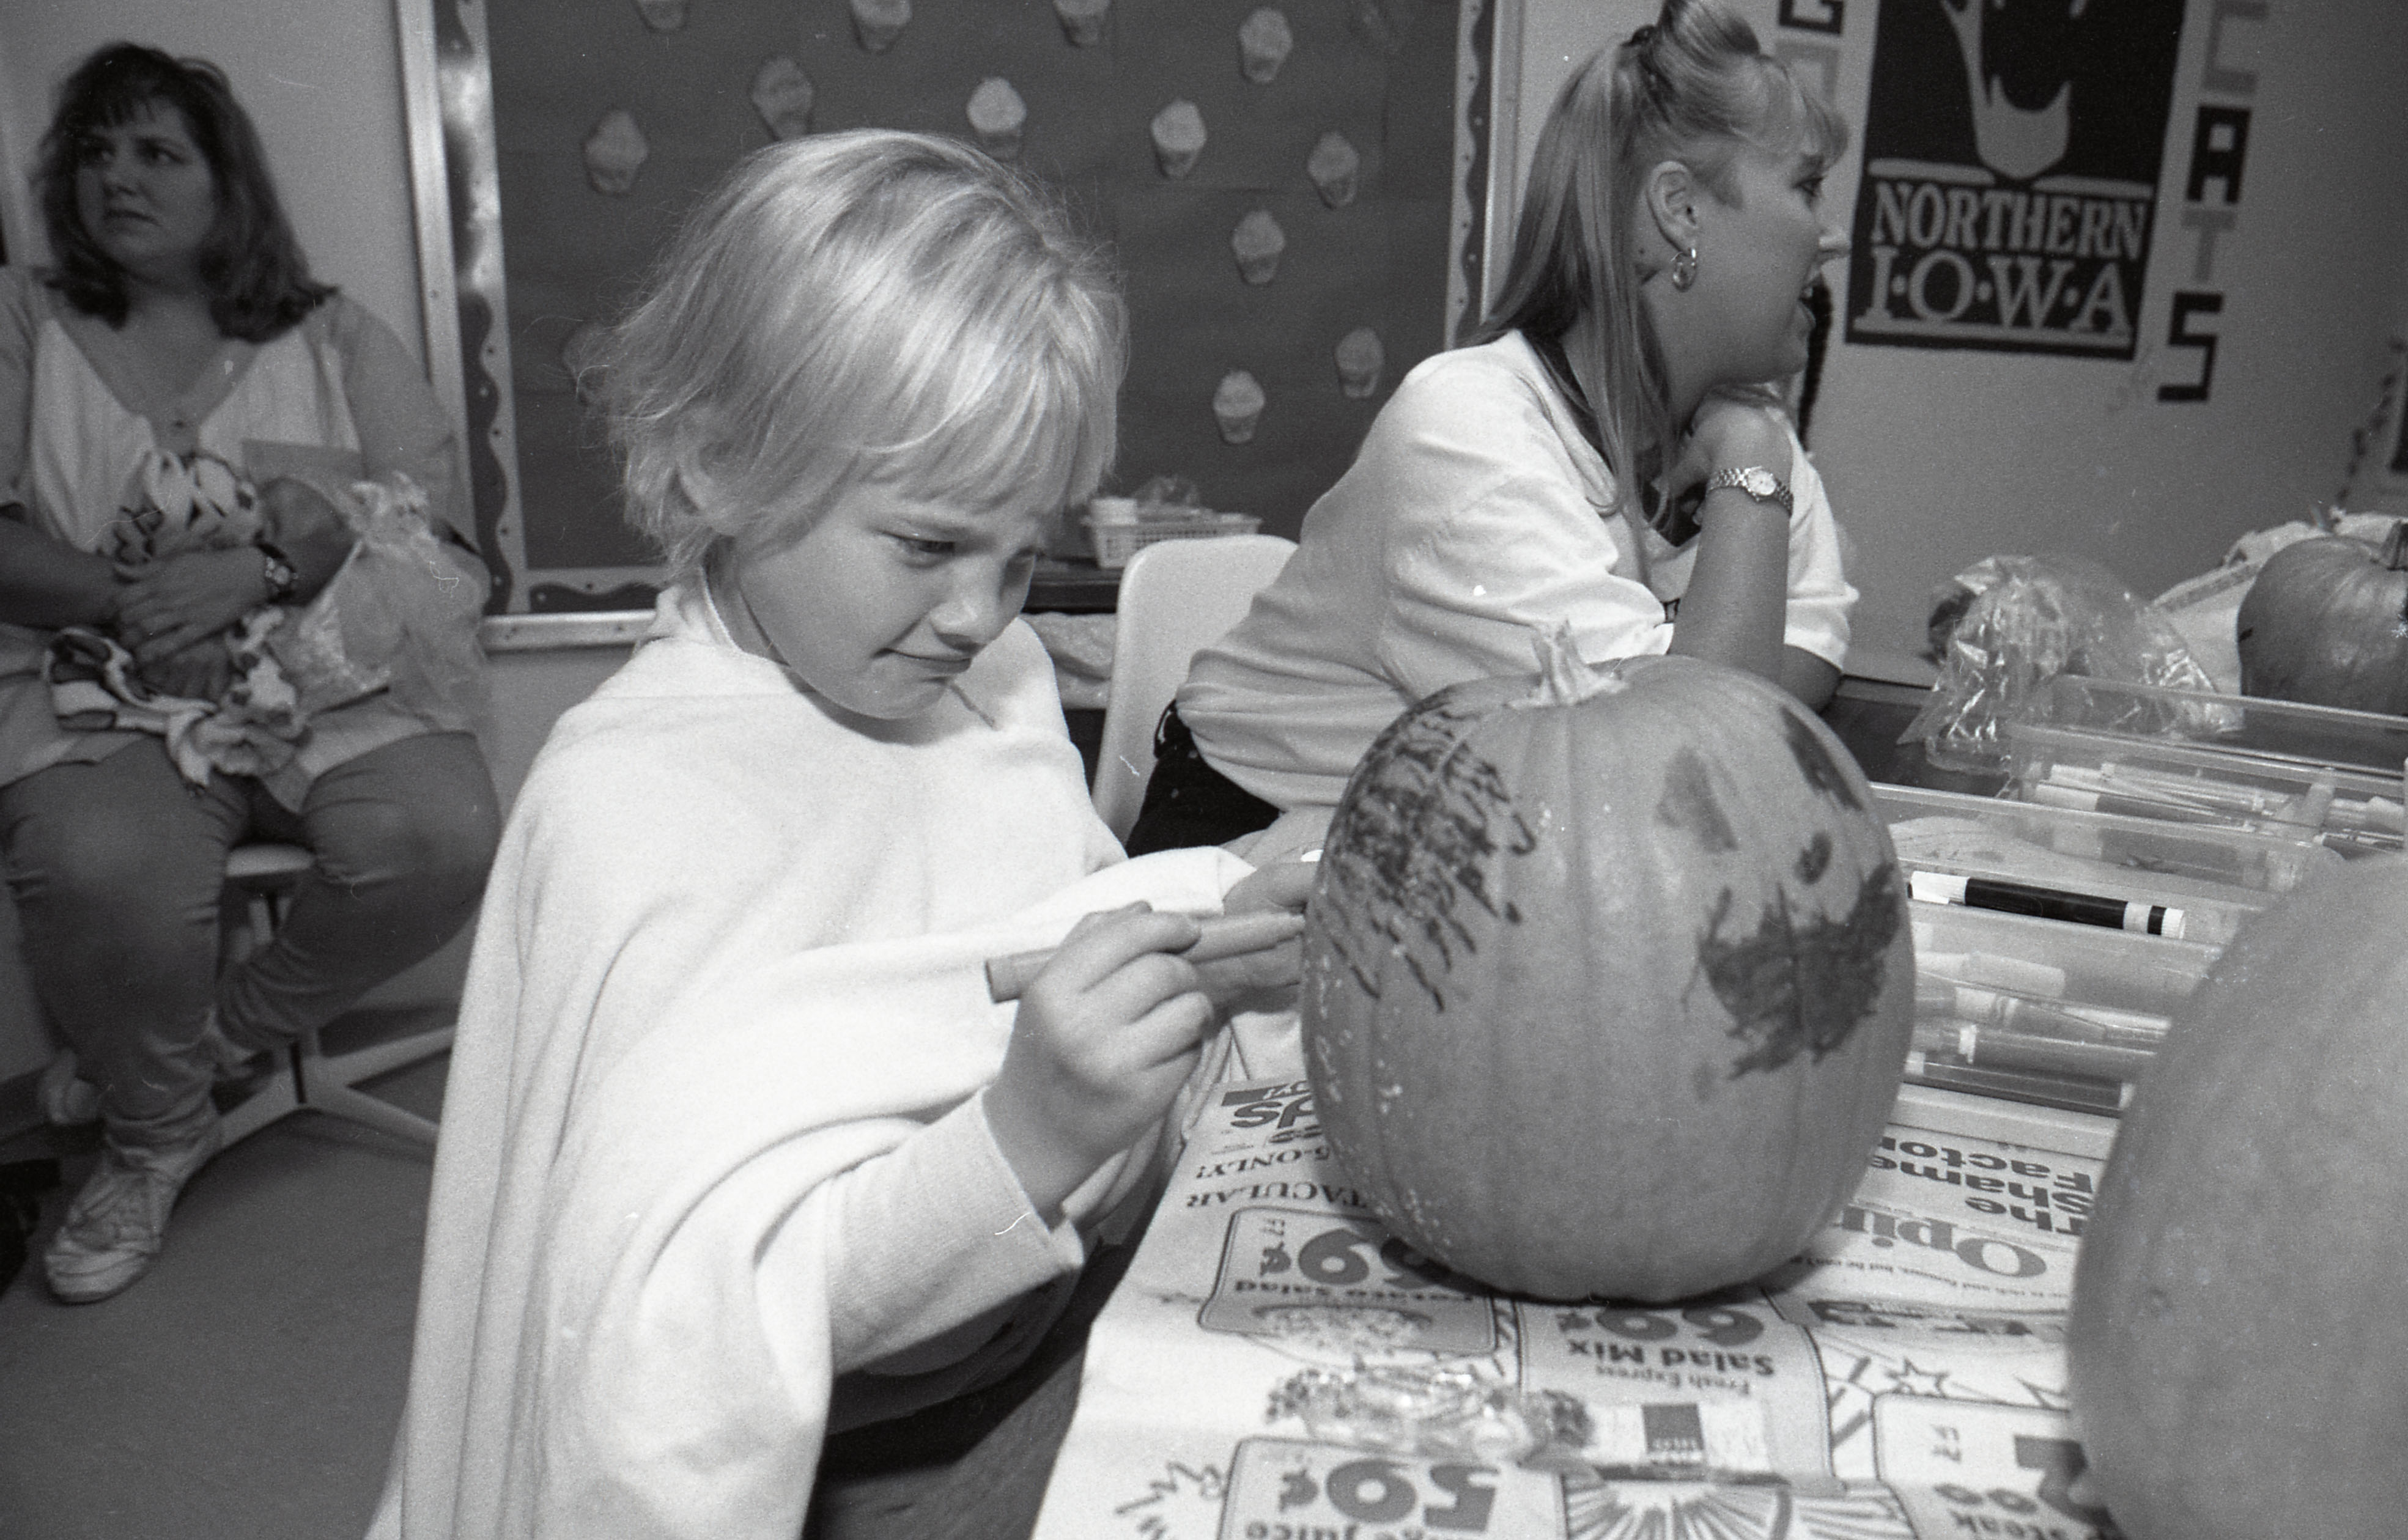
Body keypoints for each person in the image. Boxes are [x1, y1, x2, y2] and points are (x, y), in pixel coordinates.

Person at [367, 130, 1310, 1540]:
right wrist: (1030, 1134)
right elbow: (695, 1341)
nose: (981, 614)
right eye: (927, 546)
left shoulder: (987, 686)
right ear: (707, 474)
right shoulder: (628, 808)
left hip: (1064, 1328)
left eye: (1020, 552)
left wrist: (1205, 930)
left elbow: (1020, 944)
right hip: (843, 1458)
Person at [0, 43, 501, 1303]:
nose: (117, 177)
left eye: (156, 153)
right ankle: (153, 1137)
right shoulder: (23, 322)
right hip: (106, 691)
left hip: (335, 687)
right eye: (95, 154)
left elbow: (434, 534)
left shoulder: (332, 332)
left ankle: (198, 1057)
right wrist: (140, 595)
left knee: (441, 837)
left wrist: (265, 572)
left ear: (230, 185)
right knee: (99, 860)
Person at [1132, 0, 1858, 857]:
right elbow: (1683, 754)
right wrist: (1750, 467)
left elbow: (1798, 665)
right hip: (1251, 849)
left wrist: (1702, 644)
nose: (1831, 237)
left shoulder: (1748, 426)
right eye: (1807, 187)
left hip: (1498, 841)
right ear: (1679, 210)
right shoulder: (1468, 433)